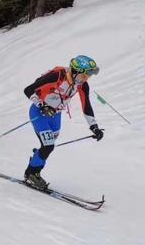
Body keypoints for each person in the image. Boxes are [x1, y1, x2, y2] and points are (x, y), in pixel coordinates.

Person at [22, 55, 104, 190]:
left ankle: (37, 158)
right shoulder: (57, 76)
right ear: (75, 71)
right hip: (39, 113)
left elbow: (86, 106)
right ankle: (31, 173)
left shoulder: (82, 85)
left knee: (48, 146)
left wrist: (94, 127)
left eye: (88, 76)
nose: (86, 79)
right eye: (84, 75)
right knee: (48, 146)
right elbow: (28, 89)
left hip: (56, 115)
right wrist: (42, 105)